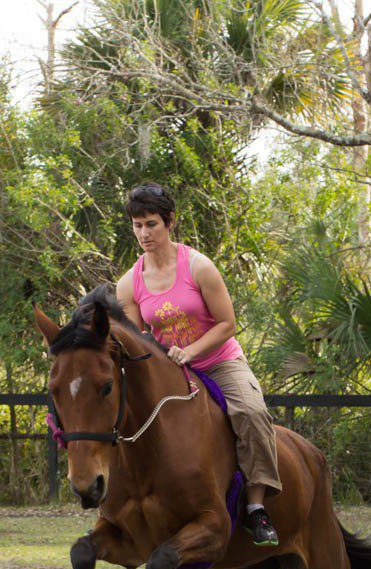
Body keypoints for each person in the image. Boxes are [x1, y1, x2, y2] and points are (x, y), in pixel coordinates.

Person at [116, 182, 281, 546]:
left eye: (152, 224)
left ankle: (256, 508)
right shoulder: (129, 284)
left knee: (252, 413)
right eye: (138, 225)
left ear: (169, 222)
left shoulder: (198, 267)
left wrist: (190, 352)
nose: (144, 233)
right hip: (171, 372)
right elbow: (137, 338)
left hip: (219, 362)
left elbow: (227, 324)